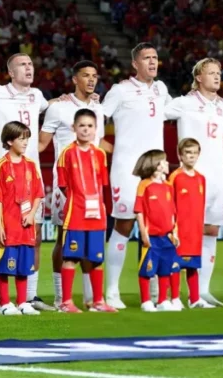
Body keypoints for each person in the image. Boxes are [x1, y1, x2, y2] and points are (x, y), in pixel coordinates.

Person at [0, 54, 50, 310]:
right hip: (6, 177)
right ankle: (2, 299)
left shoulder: (37, 96)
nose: (29, 67)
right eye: (22, 65)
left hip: (31, 176)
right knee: (5, 241)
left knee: (33, 238)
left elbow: (49, 106)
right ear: (10, 71)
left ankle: (28, 297)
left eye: (31, 63)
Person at [100, 44, 169, 309]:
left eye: (155, 57)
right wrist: (112, 149)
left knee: (156, 227)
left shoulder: (161, 89)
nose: (152, 62)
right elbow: (96, 119)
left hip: (157, 169)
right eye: (146, 58)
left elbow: (176, 111)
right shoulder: (120, 91)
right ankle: (112, 291)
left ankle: (154, 293)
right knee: (124, 225)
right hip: (127, 169)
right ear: (135, 64)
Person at [39, 60, 107, 308]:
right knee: (63, 239)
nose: (91, 80)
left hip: (93, 189)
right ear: (74, 79)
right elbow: (41, 144)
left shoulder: (98, 109)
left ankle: (92, 299)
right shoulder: (59, 109)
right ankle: (61, 298)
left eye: (94, 76)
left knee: (92, 241)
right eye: (85, 75)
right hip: (65, 186)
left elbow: (100, 145)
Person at [165, 58, 223, 306]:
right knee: (185, 232)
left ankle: (202, 291)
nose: (216, 76)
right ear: (199, 78)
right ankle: (172, 292)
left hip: (218, 176)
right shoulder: (183, 103)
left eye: (219, 72)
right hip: (191, 178)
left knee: (212, 230)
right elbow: (155, 112)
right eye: (211, 73)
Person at [55, 109, 113, 313]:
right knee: (71, 257)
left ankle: (98, 301)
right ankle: (66, 302)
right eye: (82, 126)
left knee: (96, 258)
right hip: (76, 214)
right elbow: (63, 184)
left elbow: (102, 184)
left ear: (96, 129)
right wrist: (77, 199)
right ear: (74, 128)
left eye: (90, 126)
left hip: (97, 215)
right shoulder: (67, 154)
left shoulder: (100, 154)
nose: (86, 130)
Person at [0, 121, 44, 316]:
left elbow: (38, 193)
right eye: (21, 138)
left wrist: (32, 214)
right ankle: (4, 303)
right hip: (8, 224)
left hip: (26, 223)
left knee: (23, 265)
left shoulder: (31, 165)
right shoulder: (1, 165)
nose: (25, 142)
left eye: (27, 138)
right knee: (5, 265)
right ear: (9, 140)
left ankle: (22, 302)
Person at [133, 149, 179, 313]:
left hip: (167, 236)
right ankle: (145, 300)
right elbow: (139, 211)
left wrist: (175, 232)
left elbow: (173, 211)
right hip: (151, 236)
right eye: (164, 161)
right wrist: (143, 233)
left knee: (165, 269)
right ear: (156, 165)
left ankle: (162, 300)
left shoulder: (168, 186)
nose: (167, 164)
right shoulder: (144, 185)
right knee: (147, 268)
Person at [167, 138, 211, 309]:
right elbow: (169, 202)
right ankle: (175, 298)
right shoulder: (175, 177)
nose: (191, 156)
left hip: (195, 228)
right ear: (180, 155)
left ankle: (195, 299)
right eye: (188, 153)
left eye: (194, 153)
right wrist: (172, 227)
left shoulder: (201, 178)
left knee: (193, 264)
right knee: (176, 263)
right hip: (179, 227)